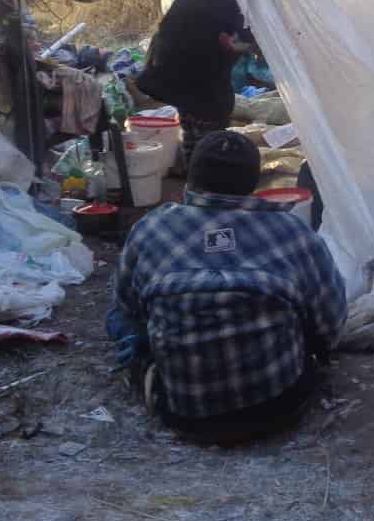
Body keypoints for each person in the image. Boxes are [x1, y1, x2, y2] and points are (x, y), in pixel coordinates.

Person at [110, 131, 347, 443]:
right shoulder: (294, 233)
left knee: (119, 315)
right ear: (254, 184)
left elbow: (127, 304)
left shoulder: (150, 229)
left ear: (190, 180)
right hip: (280, 406)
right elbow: (330, 323)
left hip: (184, 413)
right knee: (306, 307)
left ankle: (152, 366)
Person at [136, 0, 257, 170]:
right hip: (194, 54)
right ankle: (205, 171)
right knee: (211, 113)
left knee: (195, 111)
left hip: (183, 51)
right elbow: (241, 17)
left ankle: (195, 171)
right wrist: (249, 41)